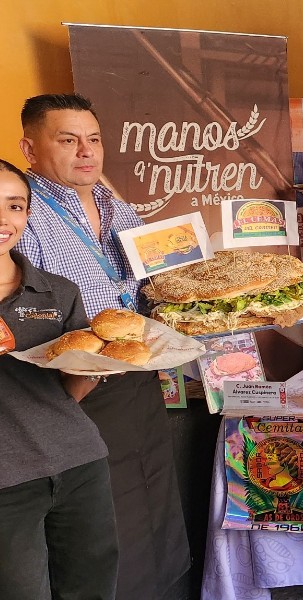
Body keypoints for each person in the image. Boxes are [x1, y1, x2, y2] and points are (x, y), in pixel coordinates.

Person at [15, 93, 189, 599]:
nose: (86, 151)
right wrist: (76, 381)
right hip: (71, 387)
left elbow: (150, 288)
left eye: (93, 139)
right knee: (100, 514)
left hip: (138, 375)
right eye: (68, 140)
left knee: (153, 490)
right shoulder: (25, 216)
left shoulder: (121, 209)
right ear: (30, 149)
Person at [0, 159, 118, 600]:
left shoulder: (58, 290)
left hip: (78, 462)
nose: (4, 220)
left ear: (27, 215)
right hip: (6, 479)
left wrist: (93, 371)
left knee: (91, 589)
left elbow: (69, 391)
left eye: (15, 206)